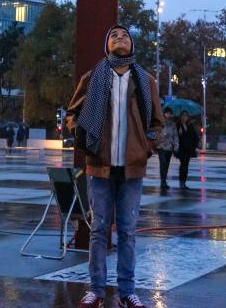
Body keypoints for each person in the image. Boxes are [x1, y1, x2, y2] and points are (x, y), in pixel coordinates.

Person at [65, 25, 163, 308]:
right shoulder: (92, 77)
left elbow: (158, 124)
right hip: (100, 166)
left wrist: (148, 145)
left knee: (128, 232)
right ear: (106, 45)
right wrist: (79, 133)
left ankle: (126, 292)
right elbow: (72, 114)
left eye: (125, 36)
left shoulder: (145, 80)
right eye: (113, 36)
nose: (120, 38)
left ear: (132, 45)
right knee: (98, 230)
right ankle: (96, 290)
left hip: (132, 168)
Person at [175, 110, 199, 189]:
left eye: (186, 116)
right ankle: (182, 183)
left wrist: (193, 146)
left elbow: (195, 138)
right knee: (183, 166)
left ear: (188, 117)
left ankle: (183, 182)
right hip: (181, 149)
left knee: (185, 166)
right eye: (183, 115)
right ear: (180, 117)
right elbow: (175, 137)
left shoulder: (190, 126)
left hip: (188, 150)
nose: (184, 117)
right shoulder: (178, 126)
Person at [157, 107, 179, 190]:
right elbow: (157, 132)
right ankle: (162, 181)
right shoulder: (161, 123)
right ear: (164, 113)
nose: (168, 115)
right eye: (167, 113)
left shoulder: (172, 124)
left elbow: (175, 136)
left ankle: (164, 180)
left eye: (170, 113)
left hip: (169, 147)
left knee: (166, 165)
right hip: (161, 147)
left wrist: (176, 146)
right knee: (162, 164)